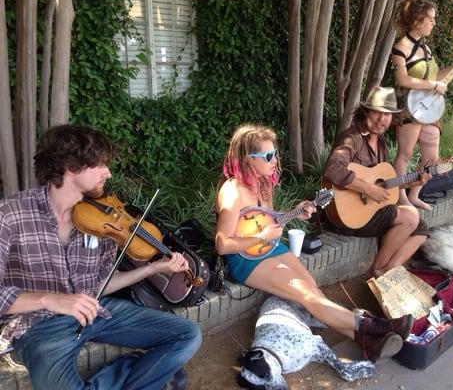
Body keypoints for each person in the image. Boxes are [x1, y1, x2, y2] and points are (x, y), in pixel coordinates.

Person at [0, 125, 201, 390]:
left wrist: (153, 268)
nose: (108, 172)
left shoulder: (101, 220)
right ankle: (134, 373)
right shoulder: (11, 214)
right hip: (39, 325)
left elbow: (101, 283)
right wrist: (50, 299)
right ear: (71, 167)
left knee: (187, 335)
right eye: (100, 164)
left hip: (96, 311)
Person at [215, 123, 414, 362]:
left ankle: (367, 342)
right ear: (248, 159)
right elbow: (222, 244)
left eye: (275, 153)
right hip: (246, 257)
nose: (274, 160)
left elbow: (261, 220)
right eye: (268, 156)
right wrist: (262, 237)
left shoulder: (261, 182)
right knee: (306, 295)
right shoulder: (233, 192)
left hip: (268, 246)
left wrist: (294, 212)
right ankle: (377, 327)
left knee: (313, 289)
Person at [323, 86, 430, 278]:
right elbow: (333, 169)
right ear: (366, 112)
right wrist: (368, 189)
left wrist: (412, 183)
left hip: (368, 213)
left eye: (387, 115)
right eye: (377, 112)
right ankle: (376, 271)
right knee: (410, 217)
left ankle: (390, 270)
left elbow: (383, 182)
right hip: (347, 215)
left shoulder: (380, 145)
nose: (382, 119)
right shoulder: (352, 138)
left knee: (422, 229)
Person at [391, 0, 453, 210]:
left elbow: (437, 78)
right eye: (430, 18)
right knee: (405, 154)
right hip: (409, 109)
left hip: (429, 109)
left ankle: (414, 194)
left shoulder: (426, 48)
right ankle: (400, 197)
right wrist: (432, 85)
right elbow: (403, 80)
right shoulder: (400, 47)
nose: (434, 23)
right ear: (417, 20)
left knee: (432, 158)